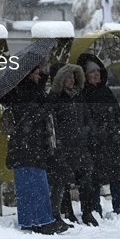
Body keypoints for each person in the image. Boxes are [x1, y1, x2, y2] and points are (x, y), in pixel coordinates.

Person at [1, 62, 66, 234]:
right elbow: (35, 114)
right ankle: (40, 221)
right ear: (27, 75)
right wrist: (51, 100)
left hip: (29, 146)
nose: (39, 76)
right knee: (35, 186)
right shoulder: (22, 93)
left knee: (32, 186)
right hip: (27, 146)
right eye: (36, 73)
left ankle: (33, 221)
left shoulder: (30, 91)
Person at [78, 52, 120, 222]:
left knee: (118, 177)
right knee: (94, 179)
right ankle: (95, 211)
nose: (96, 74)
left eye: (97, 71)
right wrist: (96, 133)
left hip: (113, 142)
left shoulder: (106, 92)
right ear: (85, 75)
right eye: (91, 72)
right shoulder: (83, 95)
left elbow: (117, 116)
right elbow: (84, 120)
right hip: (96, 144)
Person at [45, 62, 97, 227]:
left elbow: (87, 119)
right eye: (68, 77)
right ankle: (68, 213)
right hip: (65, 148)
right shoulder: (55, 99)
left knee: (86, 181)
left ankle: (87, 213)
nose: (72, 80)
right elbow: (53, 125)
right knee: (64, 182)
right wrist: (61, 144)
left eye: (73, 76)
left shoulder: (79, 97)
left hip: (82, 147)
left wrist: (88, 132)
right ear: (60, 80)